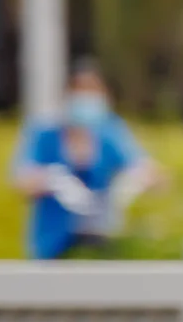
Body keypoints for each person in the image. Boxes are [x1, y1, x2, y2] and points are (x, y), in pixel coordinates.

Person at [9, 59, 160, 259]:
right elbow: (22, 180)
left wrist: (132, 183)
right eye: (80, 90)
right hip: (53, 246)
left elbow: (148, 170)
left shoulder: (110, 132)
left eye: (93, 90)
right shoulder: (44, 133)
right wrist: (53, 180)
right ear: (67, 94)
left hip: (102, 241)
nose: (87, 97)